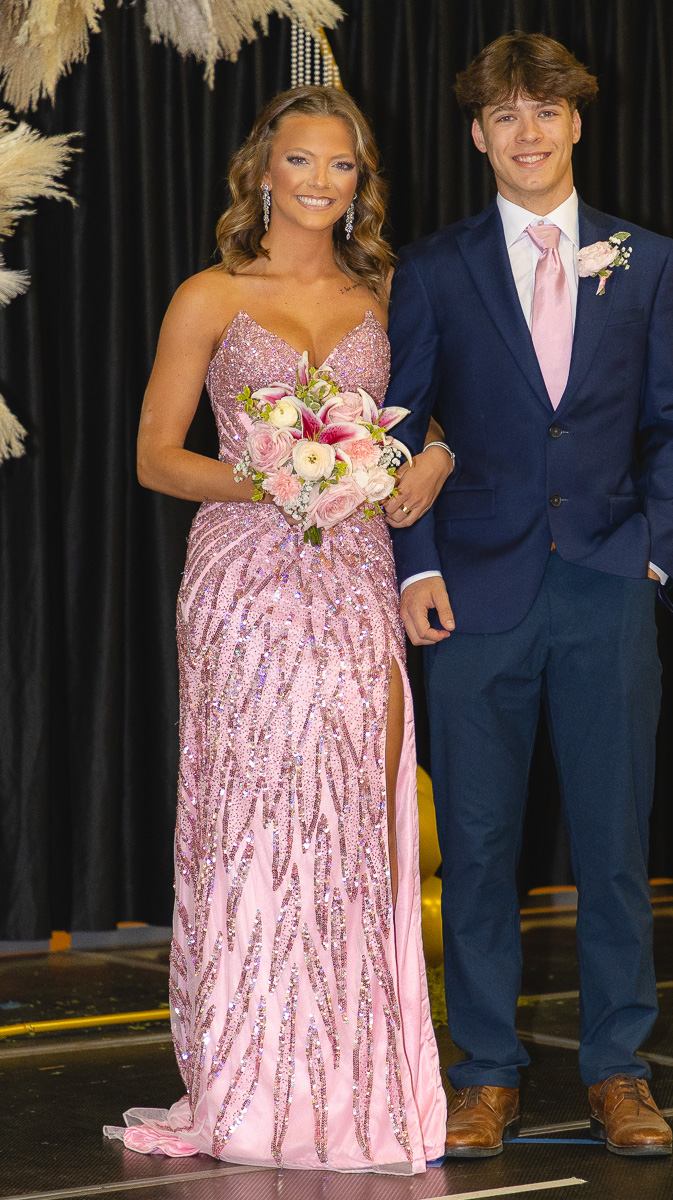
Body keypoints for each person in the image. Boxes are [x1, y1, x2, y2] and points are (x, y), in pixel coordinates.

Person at [104, 86, 451, 1173]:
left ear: (361, 182)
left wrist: (421, 462)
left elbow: (435, 416)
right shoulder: (210, 295)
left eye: (340, 166)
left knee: (346, 816)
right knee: (254, 816)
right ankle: (250, 1080)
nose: (318, 182)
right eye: (299, 161)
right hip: (244, 579)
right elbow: (158, 456)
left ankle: (351, 1081)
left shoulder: (389, 292)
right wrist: (273, 484)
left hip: (353, 575)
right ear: (264, 171)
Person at [387, 33, 673, 1160]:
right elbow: (399, 427)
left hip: (606, 587)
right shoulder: (430, 267)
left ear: (576, 124)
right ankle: (482, 1077)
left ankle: (618, 1073)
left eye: (547, 112)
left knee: (613, 845)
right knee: (474, 848)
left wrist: (650, 558)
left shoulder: (646, 258)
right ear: (477, 134)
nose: (527, 132)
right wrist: (415, 564)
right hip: (472, 595)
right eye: (505, 115)